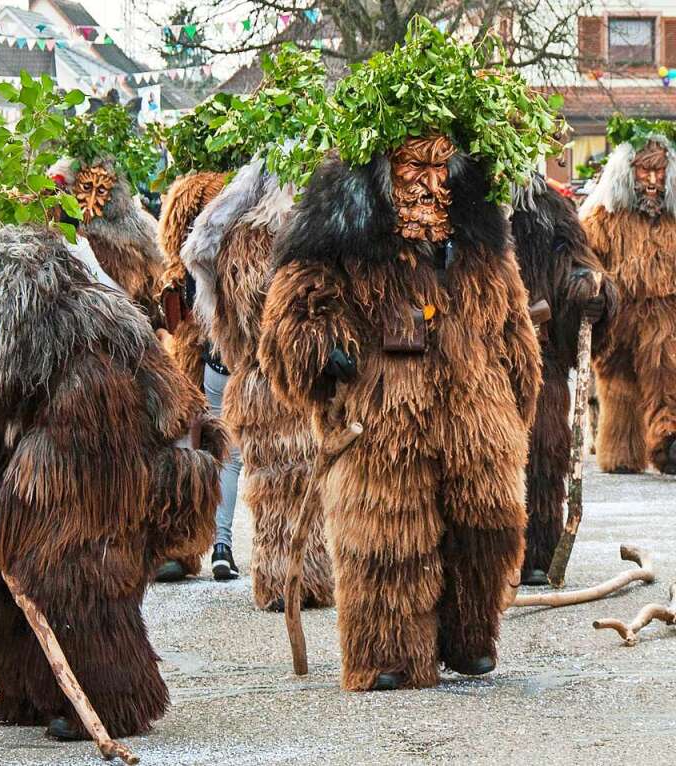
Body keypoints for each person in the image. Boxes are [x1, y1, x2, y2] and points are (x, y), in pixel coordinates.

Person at [258, 27, 544, 690]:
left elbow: (511, 324)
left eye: (440, 165)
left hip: (476, 414)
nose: (428, 182)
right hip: (383, 418)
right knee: (389, 540)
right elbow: (294, 309)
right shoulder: (340, 241)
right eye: (413, 166)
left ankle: (469, 634)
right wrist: (321, 351)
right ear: (382, 172)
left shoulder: (478, 242)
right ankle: (388, 653)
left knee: (491, 525)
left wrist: (516, 404)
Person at [0, 225, 226, 741]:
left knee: (77, 579)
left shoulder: (86, 352)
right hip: (27, 474)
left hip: (99, 488)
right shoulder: (9, 351)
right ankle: (31, 687)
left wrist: (18, 502)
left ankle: (110, 698)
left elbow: (86, 448)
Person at [181, 158, 334, 610]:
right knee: (298, 480)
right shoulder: (298, 238)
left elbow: (221, 301)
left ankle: (278, 582)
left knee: (271, 486)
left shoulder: (234, 241)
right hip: (289, 382)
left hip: (254, 380)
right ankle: (303, 580)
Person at [510, 175, 610, 584]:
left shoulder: (548, 207)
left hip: (540, 355)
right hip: (473, 356)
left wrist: (589, 291)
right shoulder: (456, 198)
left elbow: (577, 264)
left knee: (545, 447)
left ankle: (537, 550)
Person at [155, 170, 238, 583]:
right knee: (199, 449)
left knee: (222, 450)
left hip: (222, 351)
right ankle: (197, 544)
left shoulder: (220, 253)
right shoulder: (185, 265)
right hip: (200, 354)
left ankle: (211, 545)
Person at [580, 125, 676, 474]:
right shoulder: (604, 217)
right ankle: (621, 453)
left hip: (665, 315)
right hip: (619, 314)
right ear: (628, 173)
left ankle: (668, 441)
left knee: (666, 374)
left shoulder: (673, 220)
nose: (652, 180)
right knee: (617, 383)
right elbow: (587, 256)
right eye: (643, 171)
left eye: (659, 171)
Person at [51, 157, 165, 325]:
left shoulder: (135, 233)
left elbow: (124, 299)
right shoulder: (75, 238)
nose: (91, 199)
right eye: (87, 188)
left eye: (101, 190)